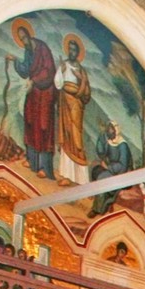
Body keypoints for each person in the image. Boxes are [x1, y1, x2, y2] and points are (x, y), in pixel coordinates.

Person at [6, 20, 57, 179]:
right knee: (30, 122)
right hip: (34, 93)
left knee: (43, 127)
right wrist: (15, 60)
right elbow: (25, 70)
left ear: (29, 35)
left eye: (24, 37)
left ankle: (44, 167)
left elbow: (49, 72)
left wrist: (34, 80)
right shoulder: (28, 51)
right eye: (20, 39)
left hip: (45, 94)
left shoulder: (42, 48)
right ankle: (31, 160)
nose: (23, 41)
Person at [53, 35, 92, 186]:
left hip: (77, 105)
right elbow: (58, 84)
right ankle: (66, 175)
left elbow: (87, 94)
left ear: (78, 53)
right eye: (70, 49)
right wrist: (62, 71)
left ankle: (81, 178)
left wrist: (81, 80)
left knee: (77, 139)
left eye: (75, 50)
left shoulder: (82, 71)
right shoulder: (64, 66)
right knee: (67, 135)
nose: (72, 52)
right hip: (65, 102)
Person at [87, 120, 134, 216]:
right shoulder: (110, 142)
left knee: (103, 179)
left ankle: (97, 209)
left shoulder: (123, 145)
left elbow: (123, 166)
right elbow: (101, 152)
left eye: (111, 130)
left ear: (116, 131)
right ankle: (93, 193)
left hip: (122, 174)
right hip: (110, 170)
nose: (109, 132)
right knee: (95, 170)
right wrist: (101, 137)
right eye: (108, 130)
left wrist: (108, 167)